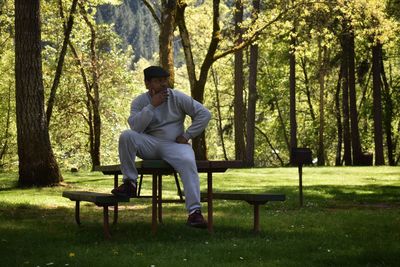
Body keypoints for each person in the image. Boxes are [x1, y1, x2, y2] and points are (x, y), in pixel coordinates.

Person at [112, 66, 211, 228]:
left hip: (174, 144)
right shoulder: (139, 102)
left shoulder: (177, 97)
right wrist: (152, 106)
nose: (164, 84)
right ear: (147, 84)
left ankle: (195, 213)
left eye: (165, 80)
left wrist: (187, 135)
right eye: (158, 81)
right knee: (126, 136)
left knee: (187, 160)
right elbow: (135, 128)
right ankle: (130, 184)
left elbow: (204, 114)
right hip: (149, 143)